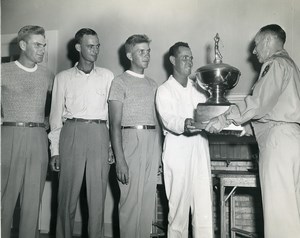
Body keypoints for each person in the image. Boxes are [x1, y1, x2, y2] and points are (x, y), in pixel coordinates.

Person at [206, 24, 300, 238]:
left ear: (268, 41)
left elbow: (257, 104)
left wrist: (223, 118)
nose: (254, 51)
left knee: (278, 215)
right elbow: (273, 110)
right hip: (292, 140)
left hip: (279, 144)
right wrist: (244, 128)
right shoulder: (292, 67)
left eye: (257, 45)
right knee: (292, 212)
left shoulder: (274, 64)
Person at [48, 28, 114, 238]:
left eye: (97, 46)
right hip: (72, 133)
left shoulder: (107, 76)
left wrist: (112, 146)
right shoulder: (63, 78)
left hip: (99, 134)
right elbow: (55, 117)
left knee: (97, 200)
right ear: (78, 47)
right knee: (66, 198)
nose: (95, 50)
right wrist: (55, 150)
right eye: (90, 46)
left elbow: (112, 115)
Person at [156, 42, 213, 238]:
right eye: (184, 57)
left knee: (204, 208)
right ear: (173, 60)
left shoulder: (199, 90)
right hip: (177, 149)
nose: (189, 61)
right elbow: (169, 119)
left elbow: (209, 113)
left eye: (191, 57)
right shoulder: (164, 90)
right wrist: (184, 123)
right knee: (178, 213)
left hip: (200, 148)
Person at [1, 25, 53, 238]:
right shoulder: (3, 71)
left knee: (33, 201)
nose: (42, 50)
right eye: (37, 45)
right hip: (10, 135)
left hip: (38, 138)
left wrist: (48, 121)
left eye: (44, 45)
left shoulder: (47, 74)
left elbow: (54, 108)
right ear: (22, 45)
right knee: (5, 199)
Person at [108, 34, 161, 238]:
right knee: (129, 203)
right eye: (141, 51)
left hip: (151, 141)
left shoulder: (153, 84)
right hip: (129, 139)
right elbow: (114, 124)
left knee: (147, 203)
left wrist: (158, 152)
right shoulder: (119, 82)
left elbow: (157, 121)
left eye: (148, 51)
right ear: (129, 54)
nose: (146, 55)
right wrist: (120, 159)